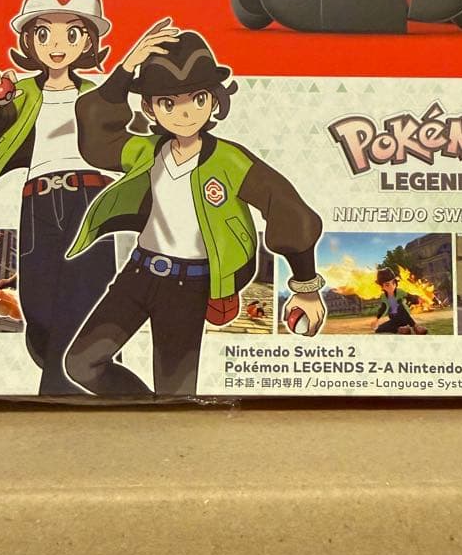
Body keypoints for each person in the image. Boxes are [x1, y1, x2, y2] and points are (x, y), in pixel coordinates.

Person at [64, 21, 326, 397]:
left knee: (175, 394)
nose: (184, 114)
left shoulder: (230, 161)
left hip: (189, 287)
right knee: (81, 363)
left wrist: (305, 286)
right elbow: (99, 138)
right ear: (150, 107)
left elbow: (287, 208)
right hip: (138, 274)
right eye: (169, 103)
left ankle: (162, 418)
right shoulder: (146, 152)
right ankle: (148, 415)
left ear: (213, 99)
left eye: (197, 99)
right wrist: (126, 69)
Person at [0, 0, 117, 394]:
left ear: (88, 42)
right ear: (29, 41)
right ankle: (86, 374)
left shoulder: (97, 93)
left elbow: (123, 138)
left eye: (72, 33)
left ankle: (62, 389)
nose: (57, 45)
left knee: (85, 298)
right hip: (38, 203)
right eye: (44, 33)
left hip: (88, 197)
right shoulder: (23, 93)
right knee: (39, 307)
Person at [373, 266, 428, 334]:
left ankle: (415, 326)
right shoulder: (384, 296)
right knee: (379, 329)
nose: (391, 286)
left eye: (393, 283)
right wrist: (377, 319)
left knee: (399, 306)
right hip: (394, 319)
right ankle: (401, 329)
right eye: (387, 285)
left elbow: (410, 297)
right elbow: (383, 308)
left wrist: (418, 299)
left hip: (404, 317)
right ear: (382, 286)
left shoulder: (400, 292)